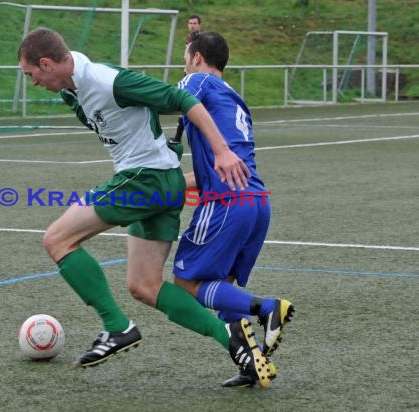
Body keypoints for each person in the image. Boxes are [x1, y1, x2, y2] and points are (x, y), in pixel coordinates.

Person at [18, 27, 273, 387]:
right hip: (158, 180)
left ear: (46, 63)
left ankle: (115, 328)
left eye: (31, 75)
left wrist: (221, 150)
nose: (33, 83)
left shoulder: (109, 81)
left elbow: (186, 101)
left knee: (57, 239)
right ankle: (234, 343)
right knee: (145, 285)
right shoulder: (71, 93)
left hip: (143, 180)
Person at [172, 31, 295, 387]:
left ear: (197, 58)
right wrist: (173, 184)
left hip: (227, 204)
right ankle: (251, 364)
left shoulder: (198, 82)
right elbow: (219, 165)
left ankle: (269, 308)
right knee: (222, 286)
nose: (184, 63)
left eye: (185, 55)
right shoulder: (236, 100)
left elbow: (172, 98)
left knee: (185, 283)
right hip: (256, 202)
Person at [169, 15, 202, 145]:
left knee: (190, 104)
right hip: (189, 74)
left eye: (194, 23)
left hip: (198, 75)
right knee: (187, 104)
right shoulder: (189, 39)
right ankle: (178, 136)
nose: (192, 25)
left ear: (199, 25)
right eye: (190, 23)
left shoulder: (202, 39)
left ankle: (179, 136)